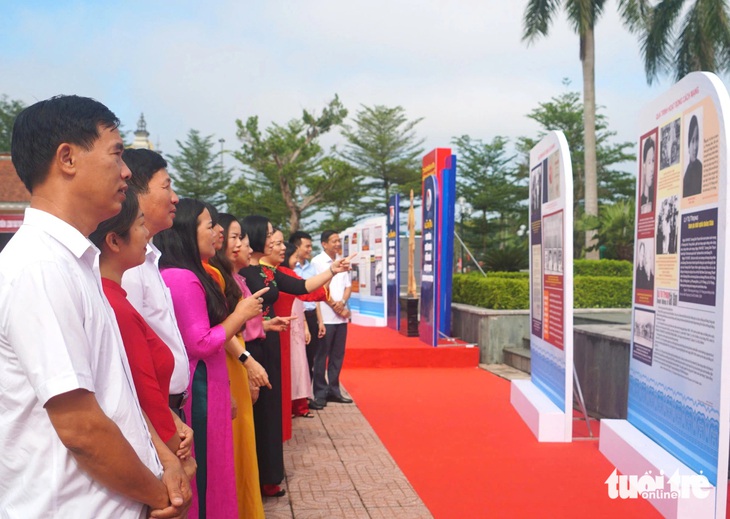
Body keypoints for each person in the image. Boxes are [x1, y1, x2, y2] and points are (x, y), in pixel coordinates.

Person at [0, 95, 190, 517]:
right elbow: (81, 427)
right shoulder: (40, 266)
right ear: (67, 158)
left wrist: (162, 456)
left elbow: (114, 392)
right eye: (117, 155)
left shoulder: (77, 262)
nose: (126, 172)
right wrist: (160, 495)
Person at [156, 199, 266, 519]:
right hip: (199, 386)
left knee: (217, 467)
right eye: (209, 225)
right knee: (206, 472)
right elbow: (201, 343)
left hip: (211, 383)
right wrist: (240, 314)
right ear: (187, 233)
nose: (217, 231)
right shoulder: (182, 277)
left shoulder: (196, 273)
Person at [239, 215, 352, 498]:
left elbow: (302, 287)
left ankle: (270, 475)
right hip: (249, 348)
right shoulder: (238, 273)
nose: (275, 242)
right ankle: (256, 477)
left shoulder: (268, 272)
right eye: (269, 236)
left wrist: (333, 271)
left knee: (270, 410)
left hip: (271, 341)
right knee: (256, 412)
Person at [90, 187, 195, 480]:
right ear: (113, 241)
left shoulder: (117, 297)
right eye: (139, 226)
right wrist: (175, 451)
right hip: (150, 448)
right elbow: (142, 389)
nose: (146, 237)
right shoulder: (115, 305)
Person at [120, 148, 191, 423]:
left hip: (168, 406)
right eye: (166, 187)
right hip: (154, 411)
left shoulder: (148, 258)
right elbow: (132, 357)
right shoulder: (128, 267)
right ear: (135, 192)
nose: (175, 198)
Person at [208, 213, 267, 519]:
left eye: (240, 236)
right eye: (234, 236)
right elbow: (218, 329)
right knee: (235, 440)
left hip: (238, 356)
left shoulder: (231, 278)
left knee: (243, 440)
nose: (241, 243)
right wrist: (247, 361)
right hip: (231, 359)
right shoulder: (213, 277)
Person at [264, 232, 328, 436]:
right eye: (277, 243)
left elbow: (308, 290)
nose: (283, 248)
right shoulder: (249, 272)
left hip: (282, 333)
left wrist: (332, 272)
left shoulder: (280, 273)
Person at [311, 230, 354, 407]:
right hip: (326, 317)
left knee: (337, 356)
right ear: (324, 244)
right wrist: (335, 306)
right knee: (321, 356)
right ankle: (320, 392)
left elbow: (348, 287)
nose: (337, 244)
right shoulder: (317, 262)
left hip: (341, 318)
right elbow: (318, 288)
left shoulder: (343, 261)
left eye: (338, 241)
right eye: (333, 241)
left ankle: (334, 390)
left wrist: (342, 302)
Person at [289, 230, 325, 388]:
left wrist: (320, 321)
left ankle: (307, 395)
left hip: (311, 317)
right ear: (297, 247)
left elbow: (315, 297)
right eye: (307, 246)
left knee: (311, 357)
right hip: (297, 319)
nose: (310, 249)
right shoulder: (289, 269)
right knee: (297, 358)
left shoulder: (311, 269)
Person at [683, 115, 703, 197]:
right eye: (692, 141)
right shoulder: (686, 173)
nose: (695, 147)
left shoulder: (700, 168)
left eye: (697, 139)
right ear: (688, 145)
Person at [640, 136, 655, 214]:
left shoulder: (654, 199)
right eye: (649, 162)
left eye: (653, 161)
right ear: (644, 165)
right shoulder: (640, 201)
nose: (652, 168)